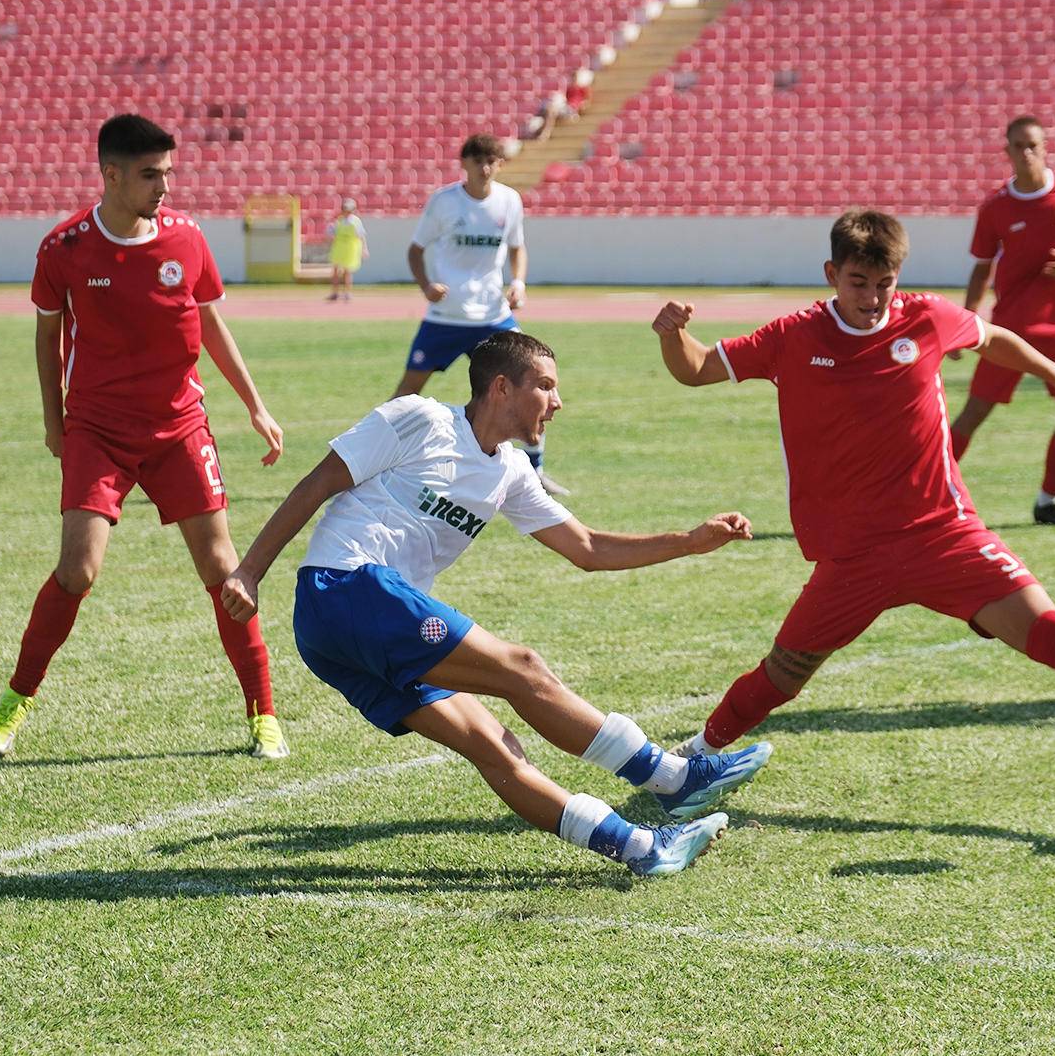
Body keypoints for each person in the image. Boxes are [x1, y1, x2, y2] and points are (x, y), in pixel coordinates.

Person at [652, 210, 1055, 758]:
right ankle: (697, 753)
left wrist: (1054, 373)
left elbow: (991, 337)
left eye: (884, 282)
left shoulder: (925, 316)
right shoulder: (793, 336)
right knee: (782, 675)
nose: (872, 297)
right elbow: (697, 368)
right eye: (858, 282)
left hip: (944, 536)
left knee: (1046, 627)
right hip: (854, 556)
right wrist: (672, 334)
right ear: (832, 275)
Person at [220, 331, 773, 875]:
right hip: (346, 587)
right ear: (503, 388)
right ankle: (672, 779)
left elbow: (587, 548)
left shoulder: (510, 471)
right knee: (522, 668)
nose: (558, 403)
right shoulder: (419, 418)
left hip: (346, 634)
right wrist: (249, 570)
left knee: (497, 749)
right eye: (546, 387)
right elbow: (316, 484)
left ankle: (640, 849)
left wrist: (690, 541)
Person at [0, 114, 290, 761]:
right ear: (111, 174)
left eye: (169, 173)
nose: (164, 187)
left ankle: (263, 711)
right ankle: (15, 700)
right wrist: (54, 421)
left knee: (223, 569)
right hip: (98, 428)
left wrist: (256, 407)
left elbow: (210, 324)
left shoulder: (187, 239)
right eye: (151, 175)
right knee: (77, 570)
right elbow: (47, 336)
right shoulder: (63, 248)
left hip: (180, 427)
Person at [394, 133, 569, 497]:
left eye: (492, 161)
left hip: (492, 316)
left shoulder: (509, 201)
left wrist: (518, 281)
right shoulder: (444, 202)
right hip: (446, 316)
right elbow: (415, 250)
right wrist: (427, 285)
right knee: (407, 392)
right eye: (478, 161)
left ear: (500, 165)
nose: (485, 168)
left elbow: (518, 247)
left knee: (533, 383)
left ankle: (535, 472)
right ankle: (380, 459)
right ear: (465, 165)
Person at [949, 116, 1055, 527]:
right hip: (1010, 328)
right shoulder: (996, 207)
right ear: (1007, 152)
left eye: (1033, 144)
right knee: (975, 410)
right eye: (1018, 146)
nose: (1027, 153)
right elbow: (981, 269)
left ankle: (1047, 502)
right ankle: (924, 488)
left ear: (1046, 146)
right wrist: (967, 322)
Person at [326, 196, 368, 302]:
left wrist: (364, 249)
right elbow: (333, 233)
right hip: (339, 247)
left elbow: (361, 236)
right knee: (335, 270)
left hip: (349, 248)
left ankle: (347, 293)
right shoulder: (339, 221)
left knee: (347, 271)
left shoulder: (355, 222)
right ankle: (335, 292)